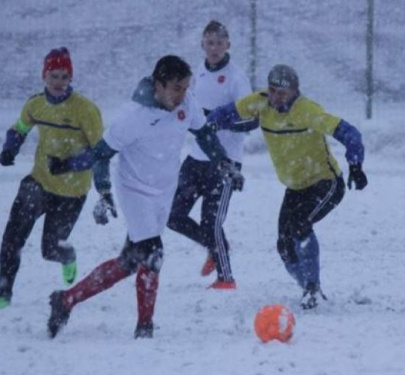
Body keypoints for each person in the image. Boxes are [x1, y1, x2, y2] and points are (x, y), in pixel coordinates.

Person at [47, 55, 241, 339]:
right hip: (134, 190)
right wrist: (101, 190)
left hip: (164, 190)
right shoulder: (132, 116)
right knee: (153, 254)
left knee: (129, 262)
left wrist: (222, 161)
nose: (182, 94)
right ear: (158, 86)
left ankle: (65, 300)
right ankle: (145, 328)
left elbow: (203, 133)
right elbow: (101, 155)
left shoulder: (186, 103)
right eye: (176, 88)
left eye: (186, 87)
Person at [205, 64, 367, 309]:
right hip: (295, 188)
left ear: (294, 91)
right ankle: (308, 287)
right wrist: (206, 125)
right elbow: (224, 114)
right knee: (283, 246)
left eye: (282, 92)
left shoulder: (307, 110)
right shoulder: (259, 102)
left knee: (301, 226)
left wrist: (355, 164)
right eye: (272, 90)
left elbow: (349, 132)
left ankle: (312, 289)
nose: (276, 97)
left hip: (326, 183)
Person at [0, 47, 104, 309]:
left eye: (64, 77)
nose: (59, 82)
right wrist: (11, 146)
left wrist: (70, 163)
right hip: (39, 181)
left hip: (72, 191)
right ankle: (3, 292)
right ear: (44, 76)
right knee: (12, 238)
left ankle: (66, 255)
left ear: (71, 79)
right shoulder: (35, 104)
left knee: (50, 250)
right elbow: (20, 127)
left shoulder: (85, 109)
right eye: (54, 76)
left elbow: (102, 152)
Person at [167, 20, 252, 290]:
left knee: (211, 221)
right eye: (209, 42)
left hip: (225, 161)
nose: (214, 48)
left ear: (228, 45)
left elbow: (252, 121)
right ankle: (215, 247)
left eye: (219, 42)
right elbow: (191, 113)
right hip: (196, 159)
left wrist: (219, 121)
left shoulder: (237, 78)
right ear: (202, 45)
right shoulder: (196, 76)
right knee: (173, 215)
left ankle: (226, 279)